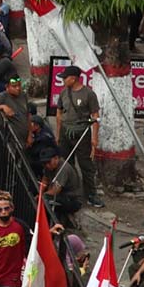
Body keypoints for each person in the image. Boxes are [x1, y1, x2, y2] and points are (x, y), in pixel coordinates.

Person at [54, 65, 104, 207]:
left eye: (65, 78)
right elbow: (59, 113)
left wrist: (94, 138)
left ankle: (91, 194)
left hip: (81, 133)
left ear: (74, 78)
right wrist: (58, 134)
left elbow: (95, 116)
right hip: (65, 132)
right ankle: (71, 192)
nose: (63, 80)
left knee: (86, 165)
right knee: (65, 163)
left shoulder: (89, 94)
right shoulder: (64, 92)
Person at [40, 147, 84, 221]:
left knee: (46, 201)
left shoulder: (63, 168)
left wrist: (43, 195)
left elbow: (55, 190)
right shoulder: (48, 167)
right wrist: (40, 192)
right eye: (45, 163)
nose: (47, 165)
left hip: (72, 199)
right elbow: (45, 180)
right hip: (61, 196)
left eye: (48, 162)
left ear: (56, 158)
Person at [0, 76, 29, 147]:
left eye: (19, 85)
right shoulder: (2, 96)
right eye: (14, 86)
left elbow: (28, 115)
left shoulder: (23, 96)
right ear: (7, 87)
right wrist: (2, 106)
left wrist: (29, 134)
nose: (18, 88)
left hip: (24, 137)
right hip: (12, 139)